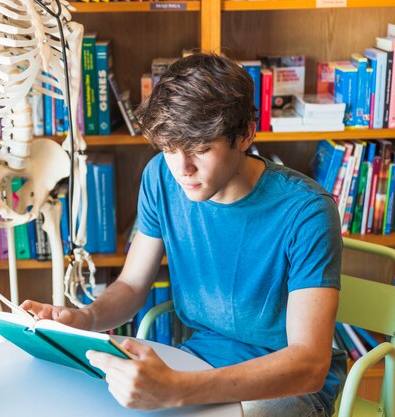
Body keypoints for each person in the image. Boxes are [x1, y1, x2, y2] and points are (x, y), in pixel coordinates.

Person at [22, 52, 346, 417]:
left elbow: (308, 365)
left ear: (245, 135)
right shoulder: (161, 175)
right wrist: (84, 319)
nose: (182, 169)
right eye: (169, 149)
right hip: (201, 357)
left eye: (201, 150)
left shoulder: (307, 211)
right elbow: (130, 286)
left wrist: (177, 390)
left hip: (286, 381)